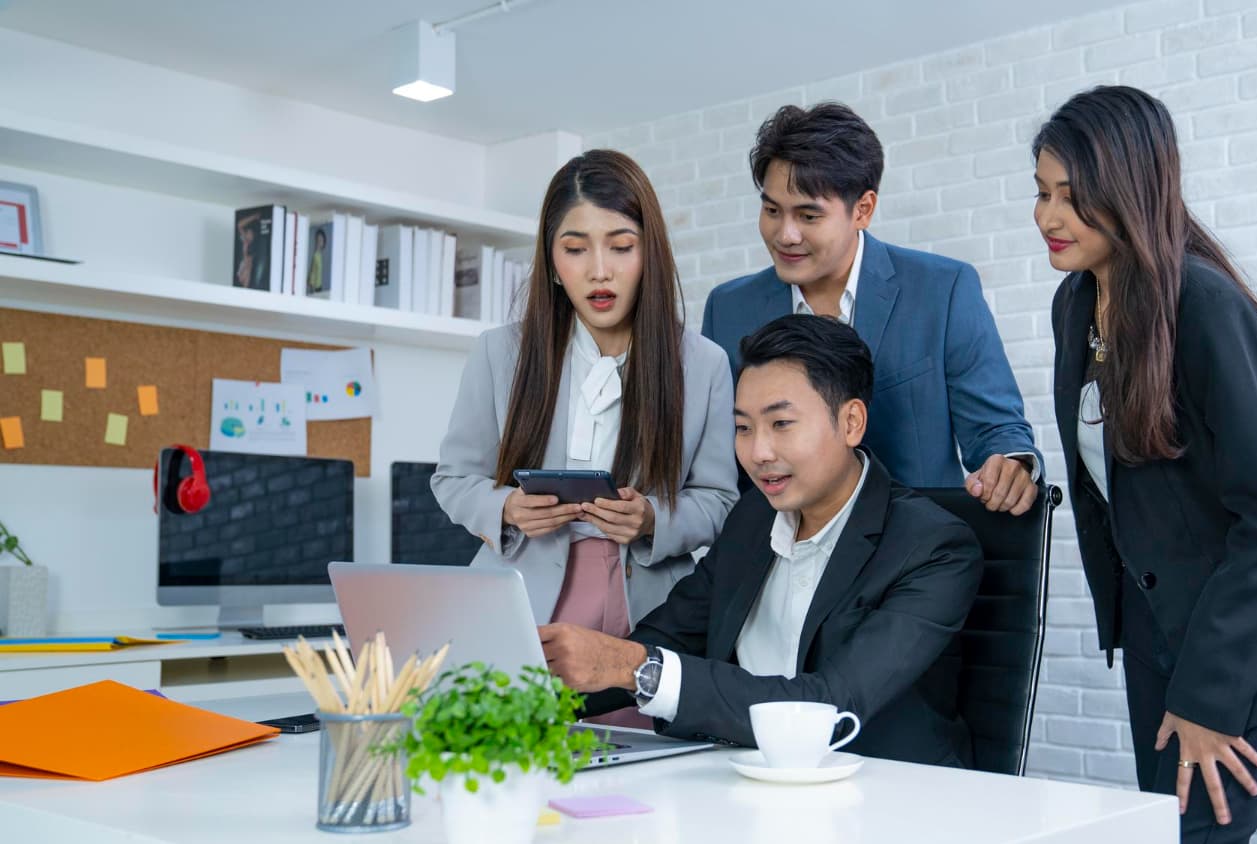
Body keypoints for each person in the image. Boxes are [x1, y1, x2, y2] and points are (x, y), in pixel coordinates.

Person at [1035, 86, 1257, 842]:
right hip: (1162, 616)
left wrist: (1211, 696)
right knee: (1160, 826)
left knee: (1194, 834)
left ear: (1130, 189)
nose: (1049, 216)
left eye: (1073, 196)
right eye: (1042, 193)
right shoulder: (1076, 303)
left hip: (1249, 624)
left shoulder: (1206, 308)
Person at [539, 315, 984, 767]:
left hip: (881, 788)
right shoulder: (752, 517)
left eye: (781, 423)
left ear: (851, 422)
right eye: (744, 428)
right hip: (741, 775)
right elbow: (670, 635)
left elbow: (829, 706)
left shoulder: (933, 547)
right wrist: (528, 695)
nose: (758, 453)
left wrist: (637, 669)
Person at [432, 149, 739, 726]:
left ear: (649, 254)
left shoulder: (703, 364)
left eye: (621, 246)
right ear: (552, 262)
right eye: (575, 249)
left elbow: (721, 500)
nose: (599, 270)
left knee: (642, 765)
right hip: (524, 592)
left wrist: (652, 519)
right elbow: (453, 479)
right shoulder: (500, 353)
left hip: (647, 606)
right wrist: (507, 507)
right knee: (512, 756)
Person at [701, 102, 1042, 515]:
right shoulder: (728, 308)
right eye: (772, 210)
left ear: (862, 209)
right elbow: (719, 461)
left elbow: (997, 431)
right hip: (780, 542)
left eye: (808, 215)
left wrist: (1011, 465)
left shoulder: (942, 290)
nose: (785, 234)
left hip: (917, 539)